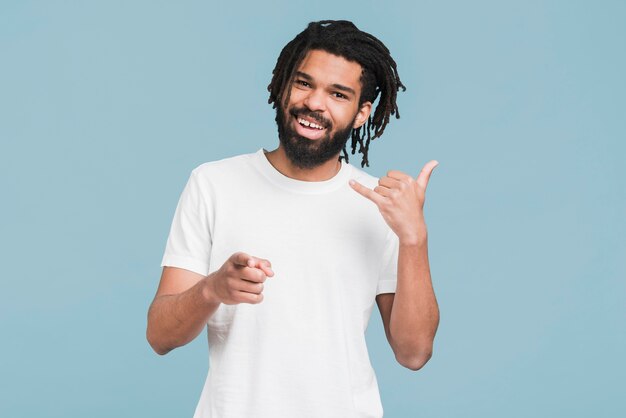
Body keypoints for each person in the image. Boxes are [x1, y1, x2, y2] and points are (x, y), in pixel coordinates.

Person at [147, 19, 440, 418]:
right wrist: (212, 289)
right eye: (304, 84)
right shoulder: (213, 183)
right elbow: (160, 336)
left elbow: (414, 352)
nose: (315, 103)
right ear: (284, 87)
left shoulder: (379, 206)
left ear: (361, 113)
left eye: (338, 94)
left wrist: (414, 238)